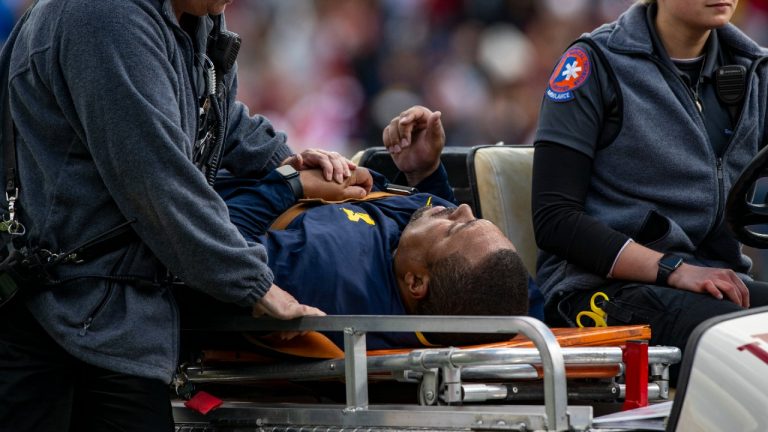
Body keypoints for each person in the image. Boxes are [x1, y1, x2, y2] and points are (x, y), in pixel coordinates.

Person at [0, 1, 362, 431]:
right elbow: (155, 176)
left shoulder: (194, 10)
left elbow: (206, 113)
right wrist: (254, 284)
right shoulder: (104, 14)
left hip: (106, 317)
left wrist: (283, 160)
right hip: (56, 319)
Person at [532, 0, 768, 378]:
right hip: (602, 293)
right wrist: (673, 269)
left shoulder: (754, 69)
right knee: (744, 347)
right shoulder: (594, 63)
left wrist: (694, 274)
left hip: (717, 283)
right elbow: (555, 219)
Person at [207, 105, 530, 350]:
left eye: (456, 228)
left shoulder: (325, 274)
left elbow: (212, 242)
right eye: (474, 219)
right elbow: (468, 275)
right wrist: (425, 172)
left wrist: (292, 184)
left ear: (416, 282)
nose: (462, 208)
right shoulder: (440, 272)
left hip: (195, 181)